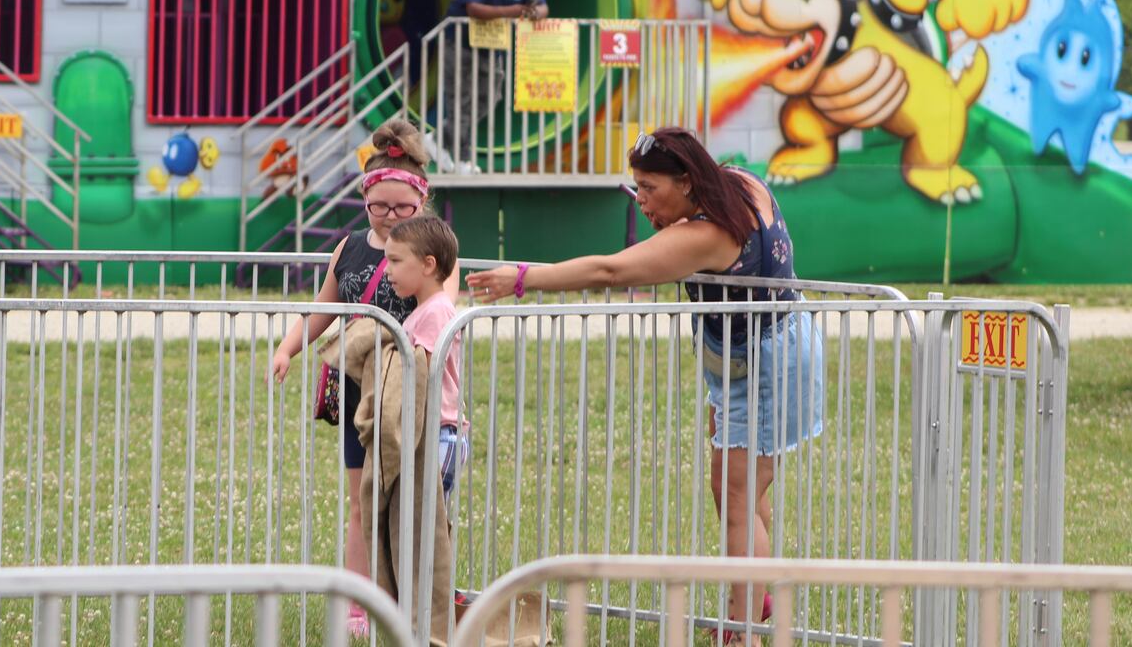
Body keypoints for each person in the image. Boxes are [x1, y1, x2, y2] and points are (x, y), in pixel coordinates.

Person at [465, 126, 823, 647]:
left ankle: (742, 628)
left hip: (768, 359)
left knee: (738, 492)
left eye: (649, 188)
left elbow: (611, 270)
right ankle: (754, 593)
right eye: (635, 187)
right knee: (736, 486)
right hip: (744, 353)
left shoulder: (706, 234)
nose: (642, 202)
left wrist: (522, 278)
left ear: (686, 182)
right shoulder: (738, 184)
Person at [269, 117, 460, 637]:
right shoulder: (348, 248)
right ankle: (363, 600)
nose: (390, 216)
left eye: (403, 208)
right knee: (362, 500)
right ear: (364, 199)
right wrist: (289, 347)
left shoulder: (436, 250)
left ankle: (416, 598)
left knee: (414, 502)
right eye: (380, 207)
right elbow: (322, 310)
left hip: (412, 394)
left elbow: (446, 311)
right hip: (361, 394)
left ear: (421, 202)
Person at [438, 0, 549, 174]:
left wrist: (534, 13)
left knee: (491, 97)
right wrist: (516, 11)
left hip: (491, 47)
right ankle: (463, 159)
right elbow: (474, 9)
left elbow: (542, 7)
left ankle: (440, 137)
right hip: (460, 43)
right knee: (461, 99)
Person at [383, 215, 468, 502]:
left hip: (440, 433)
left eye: (396, 261)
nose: (387, 271)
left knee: (424, 522)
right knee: (418, 520)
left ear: (428, 264)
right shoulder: (425, 310)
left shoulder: (436, 311)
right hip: (432, 432)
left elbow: (423, 369)